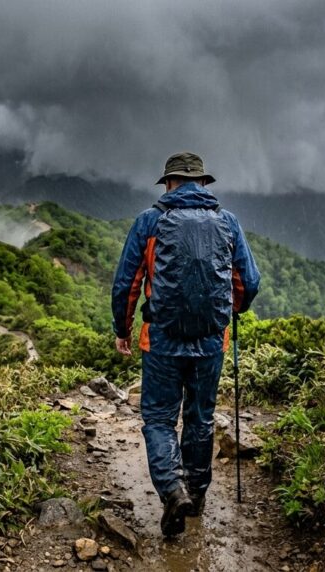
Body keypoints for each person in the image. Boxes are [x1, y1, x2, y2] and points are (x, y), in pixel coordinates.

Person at [111, 151, 260, 537]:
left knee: (160, 418)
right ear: (203, 183)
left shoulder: (150, 221)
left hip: (161, 338)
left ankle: (173, 491)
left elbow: (127, 283)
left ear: (169, 183)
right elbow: (249, 281)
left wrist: (122, 329)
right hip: (211, 340)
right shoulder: (228, 222)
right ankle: (196, 491)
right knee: (200, 417)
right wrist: (231, 309)